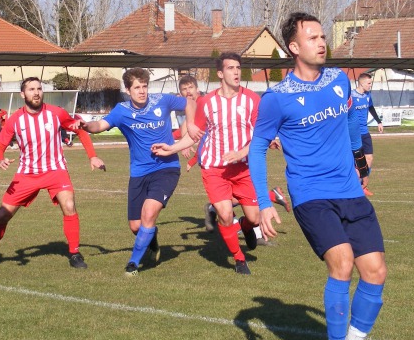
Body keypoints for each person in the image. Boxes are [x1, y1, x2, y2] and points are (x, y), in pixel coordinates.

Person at [248, 12, 387, 340]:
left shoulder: (340, 81)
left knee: (375, 271)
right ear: (294, 47)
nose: (322, 43)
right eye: (313, 38)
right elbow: (258, 149)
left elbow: (351, 125)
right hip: (311, 195)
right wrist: (263, 202)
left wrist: (361, 161)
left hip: (351, 192)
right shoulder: (276, 98)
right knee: (341, 263)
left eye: (323, 36)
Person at [154, 53, 268, 275]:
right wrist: (172, 147)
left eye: (238, 67)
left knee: (254, 218)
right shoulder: (206, 103)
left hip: (244, 168)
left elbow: (260, 136)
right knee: (225, 215)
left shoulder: (253, 99)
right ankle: (238, 259)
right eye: (230, 68)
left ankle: (247, 227)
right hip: (214, 169)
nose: (236, 72)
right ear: (220, 73)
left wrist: (241, 152)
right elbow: (194, 135)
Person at [0, 78, 105, 269]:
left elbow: (81, 129)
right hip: (27, 174)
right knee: (2, 215)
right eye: (31, 89)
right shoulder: (14, 120)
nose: (36, 93)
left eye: (39, 89)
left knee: (69, 205)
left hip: (55, 170)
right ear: (22, 94)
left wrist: (92, 156)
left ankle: (75, 253)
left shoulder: (56, 113)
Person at [81, 67, 189, 276]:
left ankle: (133, 264)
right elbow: (100, 125)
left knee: (148, 213)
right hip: (139, 172)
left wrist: (190, 129)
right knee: (135, 225)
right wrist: (86, 126)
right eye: (137, 87)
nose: (142, 91)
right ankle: (153, 239)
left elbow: (192, 104)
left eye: (144, 86)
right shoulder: (122, 111)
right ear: (128, 90)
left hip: (166, 168)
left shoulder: (163, 100)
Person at [175, 75, 290, 235]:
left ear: (197, 89)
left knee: (233, 200)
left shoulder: (206, 102)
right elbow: (191, 130)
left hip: (233, 158)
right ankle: (244, 226)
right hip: (213, 159)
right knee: (226, 202)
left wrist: (266, 141)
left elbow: (240, 126)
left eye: (190, 88)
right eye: (184, 89)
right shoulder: (192, 106)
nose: (188, 92)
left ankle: (266, 200)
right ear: (180, 92)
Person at [351, 73, 383, 196]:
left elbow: (371, 108)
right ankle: (355, 186)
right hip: (354, 134)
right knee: (355, 161)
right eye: (369, 83)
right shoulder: (351, 96)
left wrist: (379, 122)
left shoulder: (368, 95)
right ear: (362, 83)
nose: (370, 85)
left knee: (369, 158)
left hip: (365, 132)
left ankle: (363, 185)